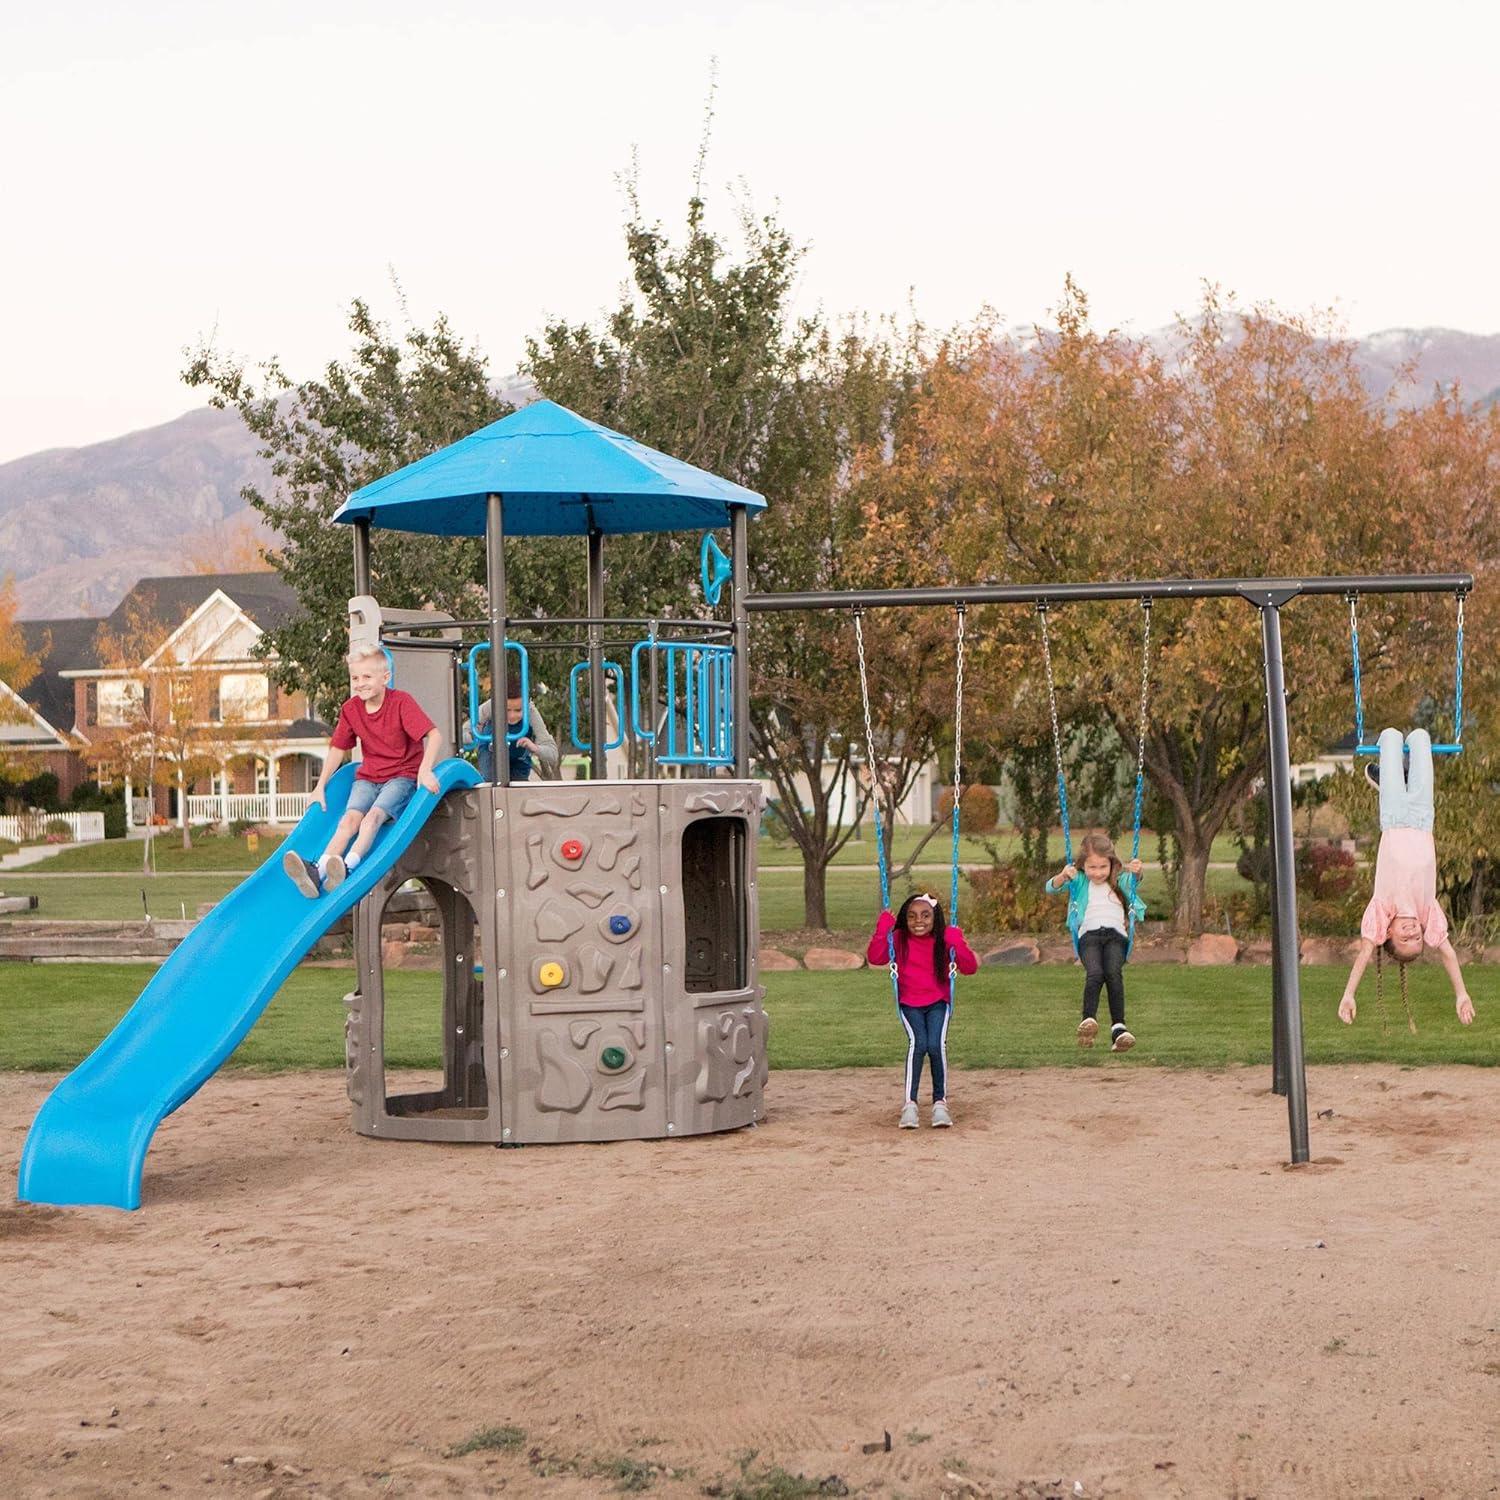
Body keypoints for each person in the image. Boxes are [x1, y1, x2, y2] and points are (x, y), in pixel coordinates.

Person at [1338, 727, 1475, 1029]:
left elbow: (1364, 954)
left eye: (1404, 937)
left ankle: (1389, 781)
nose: (1413, 932)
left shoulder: (1382, 910)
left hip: (1395, 817)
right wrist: (1461, 994)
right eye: (1417, 938)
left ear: (1387, 934)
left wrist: (1349, 994)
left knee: (1390, 737)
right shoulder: (1428, 912)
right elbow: (1449, 955)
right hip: (1424, 819)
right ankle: (1391, 780)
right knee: (1421, 738)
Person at [283, 647, 442, 898]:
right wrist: (320, 786)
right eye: (355, 678)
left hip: (401, 777)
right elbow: (337, 748)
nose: (360, 684)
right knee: (348, 821)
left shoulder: (401, 702)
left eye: (367, 677)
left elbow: (434, 735)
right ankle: (319, 870)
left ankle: (348, 866)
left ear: (385, 678)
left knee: (371, 819)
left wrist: (424, 771)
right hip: (368, 778)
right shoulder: (351, 709)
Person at [865, 892, 978, 1129]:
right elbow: (875, 958)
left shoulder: (943, 940)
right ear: (904, 919)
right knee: (918, 1044)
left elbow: (970, 968)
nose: (919, 921)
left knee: (936, 1046)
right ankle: (910, 1105)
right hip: (909, 1004)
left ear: (935, 917)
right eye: (912, 916)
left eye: (926, 915)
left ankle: (940, 1104)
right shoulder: (898, 939)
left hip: (938, 1003)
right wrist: (882, 929)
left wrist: (957, 941)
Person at [1046, 831, 1146, 1052]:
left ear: (1111, 864)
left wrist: (1138, 871)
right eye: (1092, 867)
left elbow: (1135, 880)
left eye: (1103, 867)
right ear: (1083, 865)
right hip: (1088, 937)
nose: (1098, 872)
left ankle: (1119, 1029)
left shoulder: (1120, 880)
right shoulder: (1079, 880)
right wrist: (1063, 876)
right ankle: (1088, 1020)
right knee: (1095, 973)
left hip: (1116, 937)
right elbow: (1050, 887)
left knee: (1113, 973)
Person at [476, 672, 559, 783]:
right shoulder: (490, 707)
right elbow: (465, 731)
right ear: (498, 703)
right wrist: (474, 733)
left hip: (519, 755)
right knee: (492, 782)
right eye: (507, 710)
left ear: (526, 704)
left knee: (519, 788)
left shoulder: (531, 712)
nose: (512, 716)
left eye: (518, 710)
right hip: (491, 751)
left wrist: (535, 748)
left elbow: (553, 754)